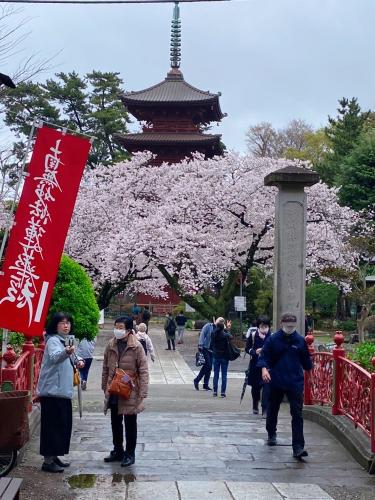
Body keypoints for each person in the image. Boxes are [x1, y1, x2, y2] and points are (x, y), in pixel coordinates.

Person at [258, 313, 313, 459]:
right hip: (276, 380)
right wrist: (264, 369)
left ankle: (298, 447)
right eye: (287, 326)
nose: (289, 328)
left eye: (292, 326)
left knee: (297, 414)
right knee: (273, 408)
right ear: (282, 324)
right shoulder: (273, 339)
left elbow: (307, 362)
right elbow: (264, 357)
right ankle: (271, 432)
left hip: (295, 382)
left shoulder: (300, 341)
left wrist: (311, 378)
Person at [37, 312, 85, 473]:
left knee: (61, 426)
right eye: (62, 323)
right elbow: (56, 356)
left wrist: (78, 360)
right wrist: (68, 352)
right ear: (55, 325)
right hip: (52, 391)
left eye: (68, 323)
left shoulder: (65, 341)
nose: (66, 325)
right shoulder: (52, 341)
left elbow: (71, 357)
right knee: (52, 428)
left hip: (63, 391)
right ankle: (47, 461)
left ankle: (55, 456)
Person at [102, 316, 149, 467]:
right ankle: (118, 450)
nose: (117, 330)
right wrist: (105, 387)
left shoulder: (137, 346)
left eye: (121, 327)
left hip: (130, 390)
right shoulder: (111, 344)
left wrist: (143, 392)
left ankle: (130, 453)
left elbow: (143, 370)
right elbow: (105, 367)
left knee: (130, 423)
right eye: (116, 326)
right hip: (114, 388)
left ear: (129, 330)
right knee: (115, 421)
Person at [245, 315, 271, 416]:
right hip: (255, 365)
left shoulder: (271, 336)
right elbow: (247, 348)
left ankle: (265, 409)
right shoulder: (253, 335)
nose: (264, 328)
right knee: (255, 388)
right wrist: (254, 351)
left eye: (266, 326)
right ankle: (255, 404)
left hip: (267, 366)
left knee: (267, 387)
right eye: (262, 326)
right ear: (258, 326)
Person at [211, 317, 233, 398]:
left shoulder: (213, 333)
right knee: (224, 375)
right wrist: (227, 328)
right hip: (224, 356)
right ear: (223, 327)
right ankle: (223, 392)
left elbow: (212, 343)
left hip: (216, 355)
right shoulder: (225, 334)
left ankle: (215, 392)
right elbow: (231, 337)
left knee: (216, 374)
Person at [193, 319, 216, 391]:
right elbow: (202, 335)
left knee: (209, 367)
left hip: (212, 350)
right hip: (205, 348)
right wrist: (200, 345)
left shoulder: (220, 327)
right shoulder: (208, 326)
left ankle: (205, 384)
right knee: (208, 365)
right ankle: (197, 380)